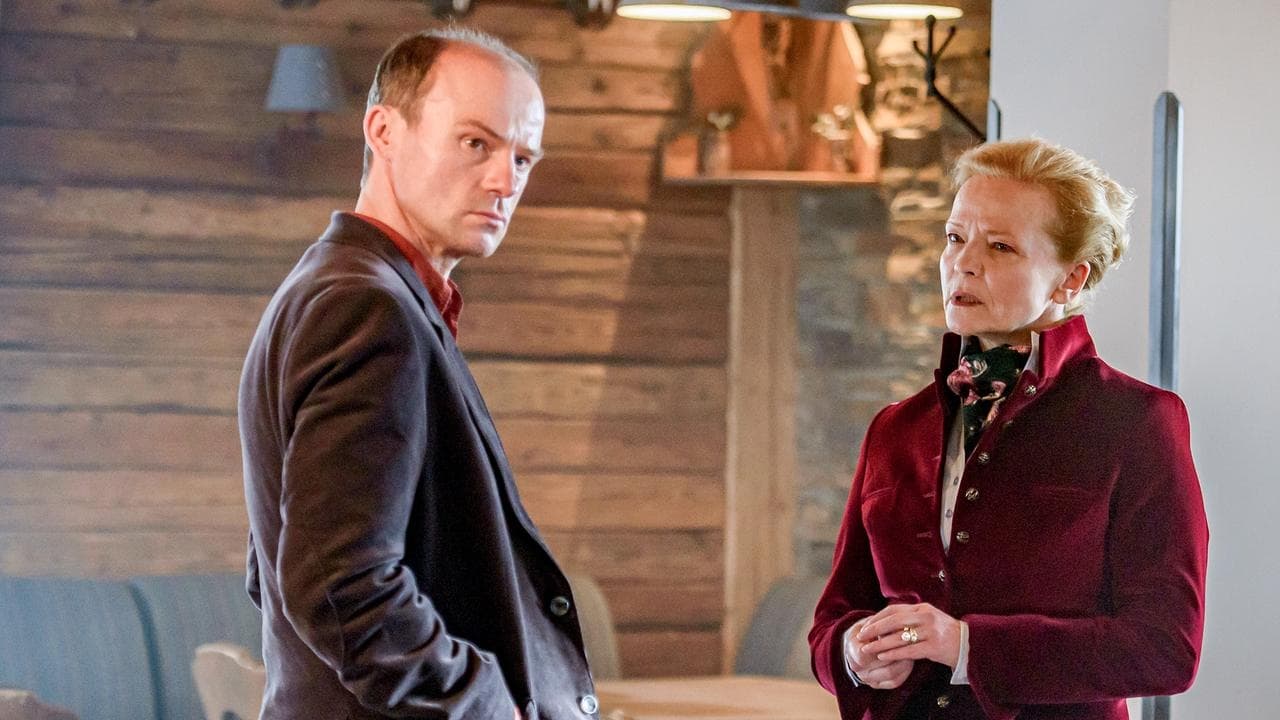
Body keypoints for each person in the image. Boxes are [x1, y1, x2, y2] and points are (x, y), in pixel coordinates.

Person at [238, 28, 599, 720]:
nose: (505, 181)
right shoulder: (366, 306)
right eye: (476, 143)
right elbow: (338, 586)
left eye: (522, 158)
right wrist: (487, 706)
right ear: (383, 131)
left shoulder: (336, 286)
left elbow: (278, 561)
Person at [808, 138, 1209, 719]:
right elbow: (834, 618)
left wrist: (966, 646)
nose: (963, 263)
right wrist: (851, 654)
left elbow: (1166, 648)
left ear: (1070, 279)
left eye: (1000, 246)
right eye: (955, 238)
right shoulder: (895, 429)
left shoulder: (1137, 422)